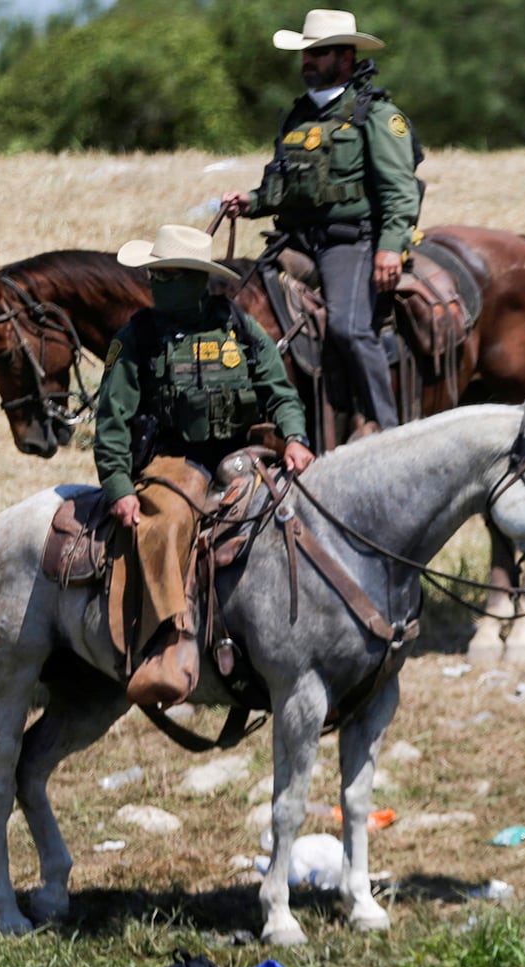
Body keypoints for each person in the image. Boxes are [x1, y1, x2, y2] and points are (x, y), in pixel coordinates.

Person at [93, 225, 312, 707]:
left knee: (298, 511)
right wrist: (118, 486)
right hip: (175, 456)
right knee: (166, 523)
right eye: (154, 274)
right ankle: (171, 638)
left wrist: (294, 437)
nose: (155, 282)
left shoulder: (236, 325)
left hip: (244, 451)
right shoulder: (137, 337)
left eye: (167, 274)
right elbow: (112, 418)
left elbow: (279, 389)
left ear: (195, 279)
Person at [221, 8, 420, 437]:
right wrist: (250, 202)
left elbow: (399, 190)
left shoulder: (378, 115)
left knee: (349, 329)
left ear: (345, 58)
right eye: (305, 54)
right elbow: (282, 187)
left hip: (352, 242)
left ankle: (391, 432)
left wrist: (390, 246)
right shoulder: (297, 117)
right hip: (294, 241)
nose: (306, 61)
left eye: (318, 53)